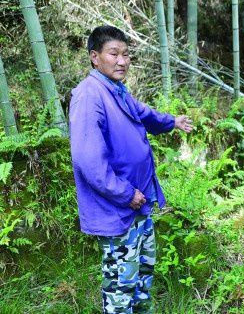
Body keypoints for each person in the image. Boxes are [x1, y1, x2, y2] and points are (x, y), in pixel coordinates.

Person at [69, 25, 192, 313]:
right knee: (120, 289)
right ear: (94, 57)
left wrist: (171, 122)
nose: (122, 61)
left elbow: (143, 112)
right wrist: (125, 194)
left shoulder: (116, 90)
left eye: (126, 54)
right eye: (114, 53)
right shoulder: (89, 96)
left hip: (139, 205)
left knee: (141, 280)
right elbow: (89, 162)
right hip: (118, 209)